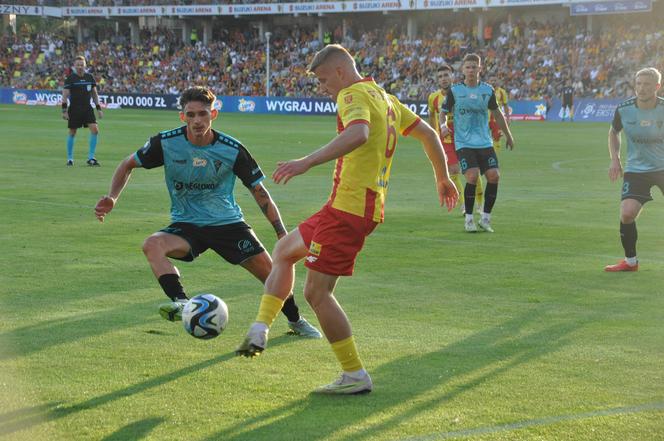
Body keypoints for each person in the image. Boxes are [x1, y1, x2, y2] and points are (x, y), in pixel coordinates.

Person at [236, 44, 458, 395]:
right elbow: (428, 135)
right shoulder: (383, 96)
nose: (323, 88)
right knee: (283, 251)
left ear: (340, 71)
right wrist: (442, 178)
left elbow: (358, 134)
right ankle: (259, 330)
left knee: (317, 293)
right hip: (348, 205)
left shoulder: (352, 94)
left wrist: (306, 162)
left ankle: (354, 374)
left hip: (350, 209)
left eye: (324, 80)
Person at [93, 86, 321, 338]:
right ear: (182, 117)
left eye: (202, 114)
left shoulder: (231, 148)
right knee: (152, 245)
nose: (197, 121)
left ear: (213, 114)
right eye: (190, 115)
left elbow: (259, 191)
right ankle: (182, 302)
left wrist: (281, 232)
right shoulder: (166, 143)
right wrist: (112, 197)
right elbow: (128, 164)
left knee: (272, 274)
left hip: (228, 224)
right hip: (187, 225)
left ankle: (295, 320)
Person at [440, 53, 514, 233]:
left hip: (484, 142)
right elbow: (443, 112)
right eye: (468, 67)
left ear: (480, 69)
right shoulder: (455, 91)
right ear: (463, 70)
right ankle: (469, 219)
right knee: (472, 176)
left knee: (494, 176)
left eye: (474, 67)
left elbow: (497, 114)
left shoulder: (487, 91)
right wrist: (442, 125)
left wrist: (509, 135)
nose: (471, 70)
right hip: (464, 142)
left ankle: (486, 218)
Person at [605, 67, 664, 272]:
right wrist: (615, 159)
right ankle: (630, 261)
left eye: (647, 84)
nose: (642, 88)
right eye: (639, 83)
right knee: (627, 213)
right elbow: (613, 132)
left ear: (657, 86)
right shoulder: (624, 109)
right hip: (636, 170)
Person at [428, 64, 483, 215]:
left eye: (446, 75)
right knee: (452, 170)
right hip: (446, 139)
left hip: (464, 136)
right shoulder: (433, 98)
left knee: (472, 171)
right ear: (437, 80)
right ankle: (464, 205)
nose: (443, 79)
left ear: (452, 76)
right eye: (440, 77)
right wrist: (434, 134)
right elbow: (432, 116)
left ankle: (480, 204)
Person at [61, 55, 103, 166]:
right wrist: (64, 111)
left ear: (85, 65)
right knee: (72, 132)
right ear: (74, 66)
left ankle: (91, 158)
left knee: (95, 130)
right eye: (78, 65)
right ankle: (70, 158)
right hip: (74, 109)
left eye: (82, 65)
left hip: (87, 109)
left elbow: (94, 94)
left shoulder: (89, 77)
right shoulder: (70, 78)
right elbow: (65, 95)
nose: (80, 67)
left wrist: (98, 108)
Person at [489, 75, 510, 153]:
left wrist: (507, 118)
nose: (493, 82)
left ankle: (494, 156)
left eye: (495, 80)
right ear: (488, 81)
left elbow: (505, 105)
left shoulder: (502, 92)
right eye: (491, 80)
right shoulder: (485, 90)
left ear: (498, 81)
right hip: (484, 118)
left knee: (497, 137)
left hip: (496, 118)